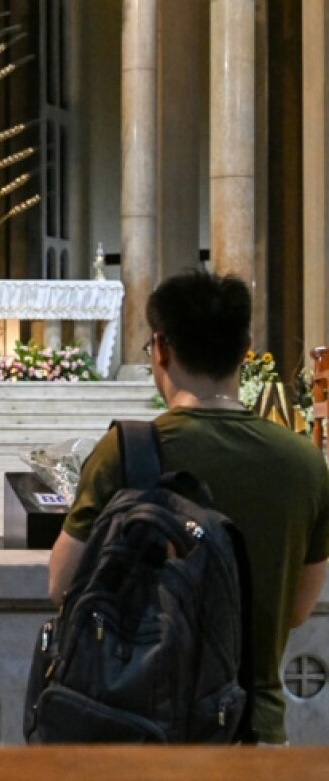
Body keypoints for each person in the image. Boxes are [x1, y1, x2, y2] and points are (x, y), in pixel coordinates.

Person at [47, 270, 329, 746]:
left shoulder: (126, 450)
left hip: (139, 725)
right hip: (251, 727)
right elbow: (298, 609)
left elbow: (62, 585)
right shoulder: (305, 462)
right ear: (246, 348)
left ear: (160, 347)